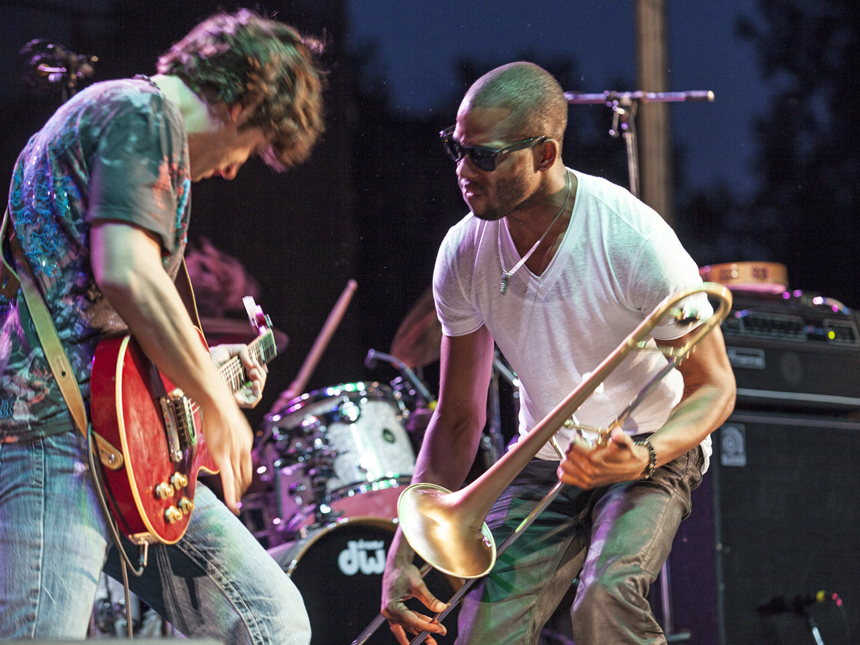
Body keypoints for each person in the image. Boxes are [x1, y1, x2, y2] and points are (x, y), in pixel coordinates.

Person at [380, 62, 736, 645]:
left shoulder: (632, 241)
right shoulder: (465, 252)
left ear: (544, 154)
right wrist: (408, 542)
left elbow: (715, 387)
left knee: (605, 600)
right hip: (545, 457)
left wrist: (641, 457)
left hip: (649, 451)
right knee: (484, 629)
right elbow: (459, 414)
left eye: (485, 156)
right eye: (456, 149)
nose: (463, 172)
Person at [0, 9, 324, 644]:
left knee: (271, 621)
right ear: (243, 95)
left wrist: (203, 375)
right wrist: (216, 404)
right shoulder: (139, 114)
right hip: (51, 437)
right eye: (251, 145)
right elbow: (126, 271)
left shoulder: (141, 131)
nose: (233, 168)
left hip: (116, 450)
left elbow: (112, 316)